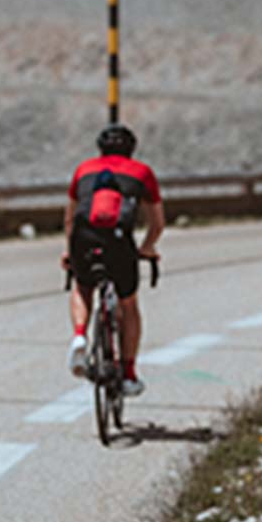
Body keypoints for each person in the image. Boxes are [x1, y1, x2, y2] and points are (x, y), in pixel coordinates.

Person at [62, 124, 163, 396]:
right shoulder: (142, 172)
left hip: (83, 238)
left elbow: (70, 217)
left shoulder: (84, 169)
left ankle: (80, 335)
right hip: (119, 242)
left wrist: (69, 251)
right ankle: (128, 374)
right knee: (128, 305)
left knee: (83, 286)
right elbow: (157, 224)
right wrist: (147, 248)